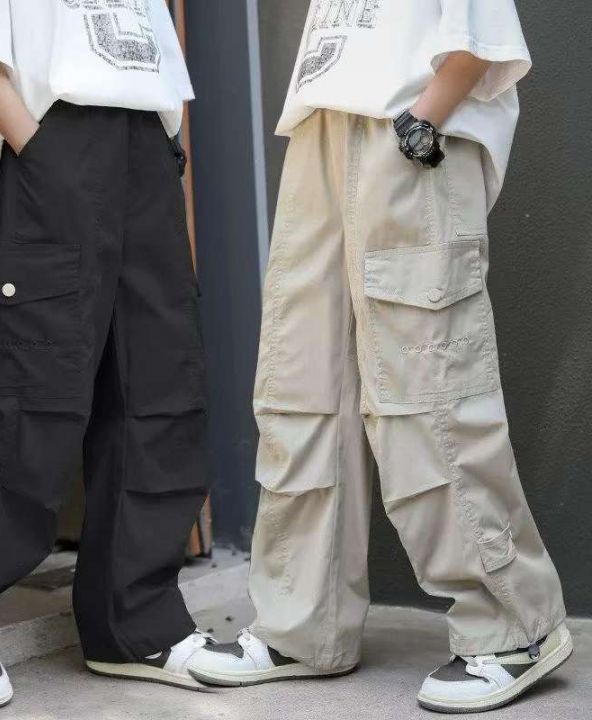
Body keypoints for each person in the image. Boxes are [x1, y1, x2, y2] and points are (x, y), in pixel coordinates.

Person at [187, 0, 572, 713]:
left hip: (410, 129)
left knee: (428, 387)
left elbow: (478, 35)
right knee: (302, 386)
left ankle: (514, 626)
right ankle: (303, 627)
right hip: (322, 129)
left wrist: (423, 119)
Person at [0, 0, 212, 709]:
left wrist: (160, 160)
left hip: (144, 149)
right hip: (55, 138)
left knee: (158, 389)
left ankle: (134, 621)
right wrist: (43, 154)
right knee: (32, 389)